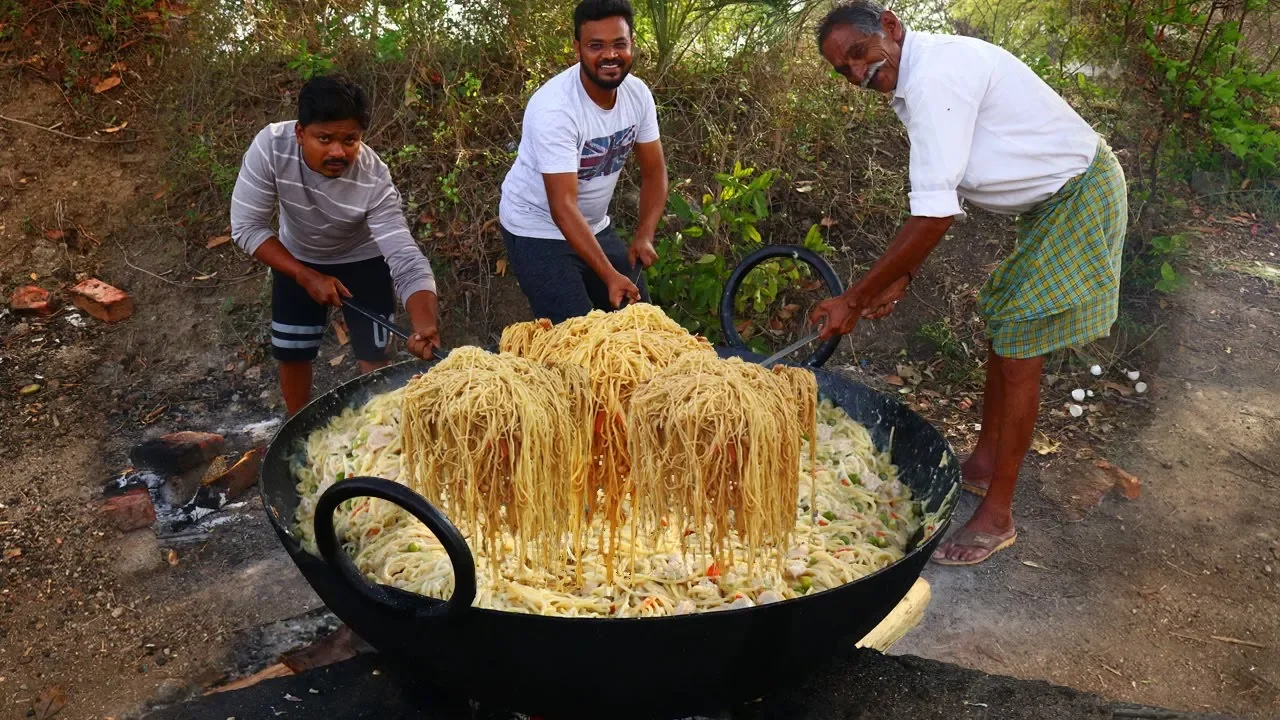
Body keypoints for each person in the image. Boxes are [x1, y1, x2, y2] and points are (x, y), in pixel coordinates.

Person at [810, 1, 1128, 565]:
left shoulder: (934, 78)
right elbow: (943, 193)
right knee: (1004, 329)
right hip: (1054, 204)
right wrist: (900, 273)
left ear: (890, 26)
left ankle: (998, 515)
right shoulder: (915, 80)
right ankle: (983, 463)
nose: (858, 74)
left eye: (858, 54)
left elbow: (932, 215)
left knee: (1018, 342)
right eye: (845, 70)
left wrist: (854, 299)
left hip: (1079, 194)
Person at [230, 73, 442, 416]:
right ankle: (296, 428)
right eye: (324, 138)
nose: (337, 151)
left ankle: (377, 435)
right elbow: (246, 227)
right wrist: (304, 275)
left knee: (375, 354)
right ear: (300, 133)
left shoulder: (374, 178)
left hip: (364, 259)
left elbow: (405, 259)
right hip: (296, 257)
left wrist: (424, 324)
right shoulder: (270, 147)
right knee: (292, 350)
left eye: (350, 139)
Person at [498, 0, 669, 323]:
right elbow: (562, 206)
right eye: (595, 45)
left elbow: (654, 172)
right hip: (537, 227)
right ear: (577, 47)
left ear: (632, 43)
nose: (609, 55)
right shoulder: (555, 108)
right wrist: (608, 274)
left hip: (593, 225)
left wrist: (644, 234)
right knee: (576, 335)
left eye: (619, 43)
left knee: (642, 323)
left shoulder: (638, 95)